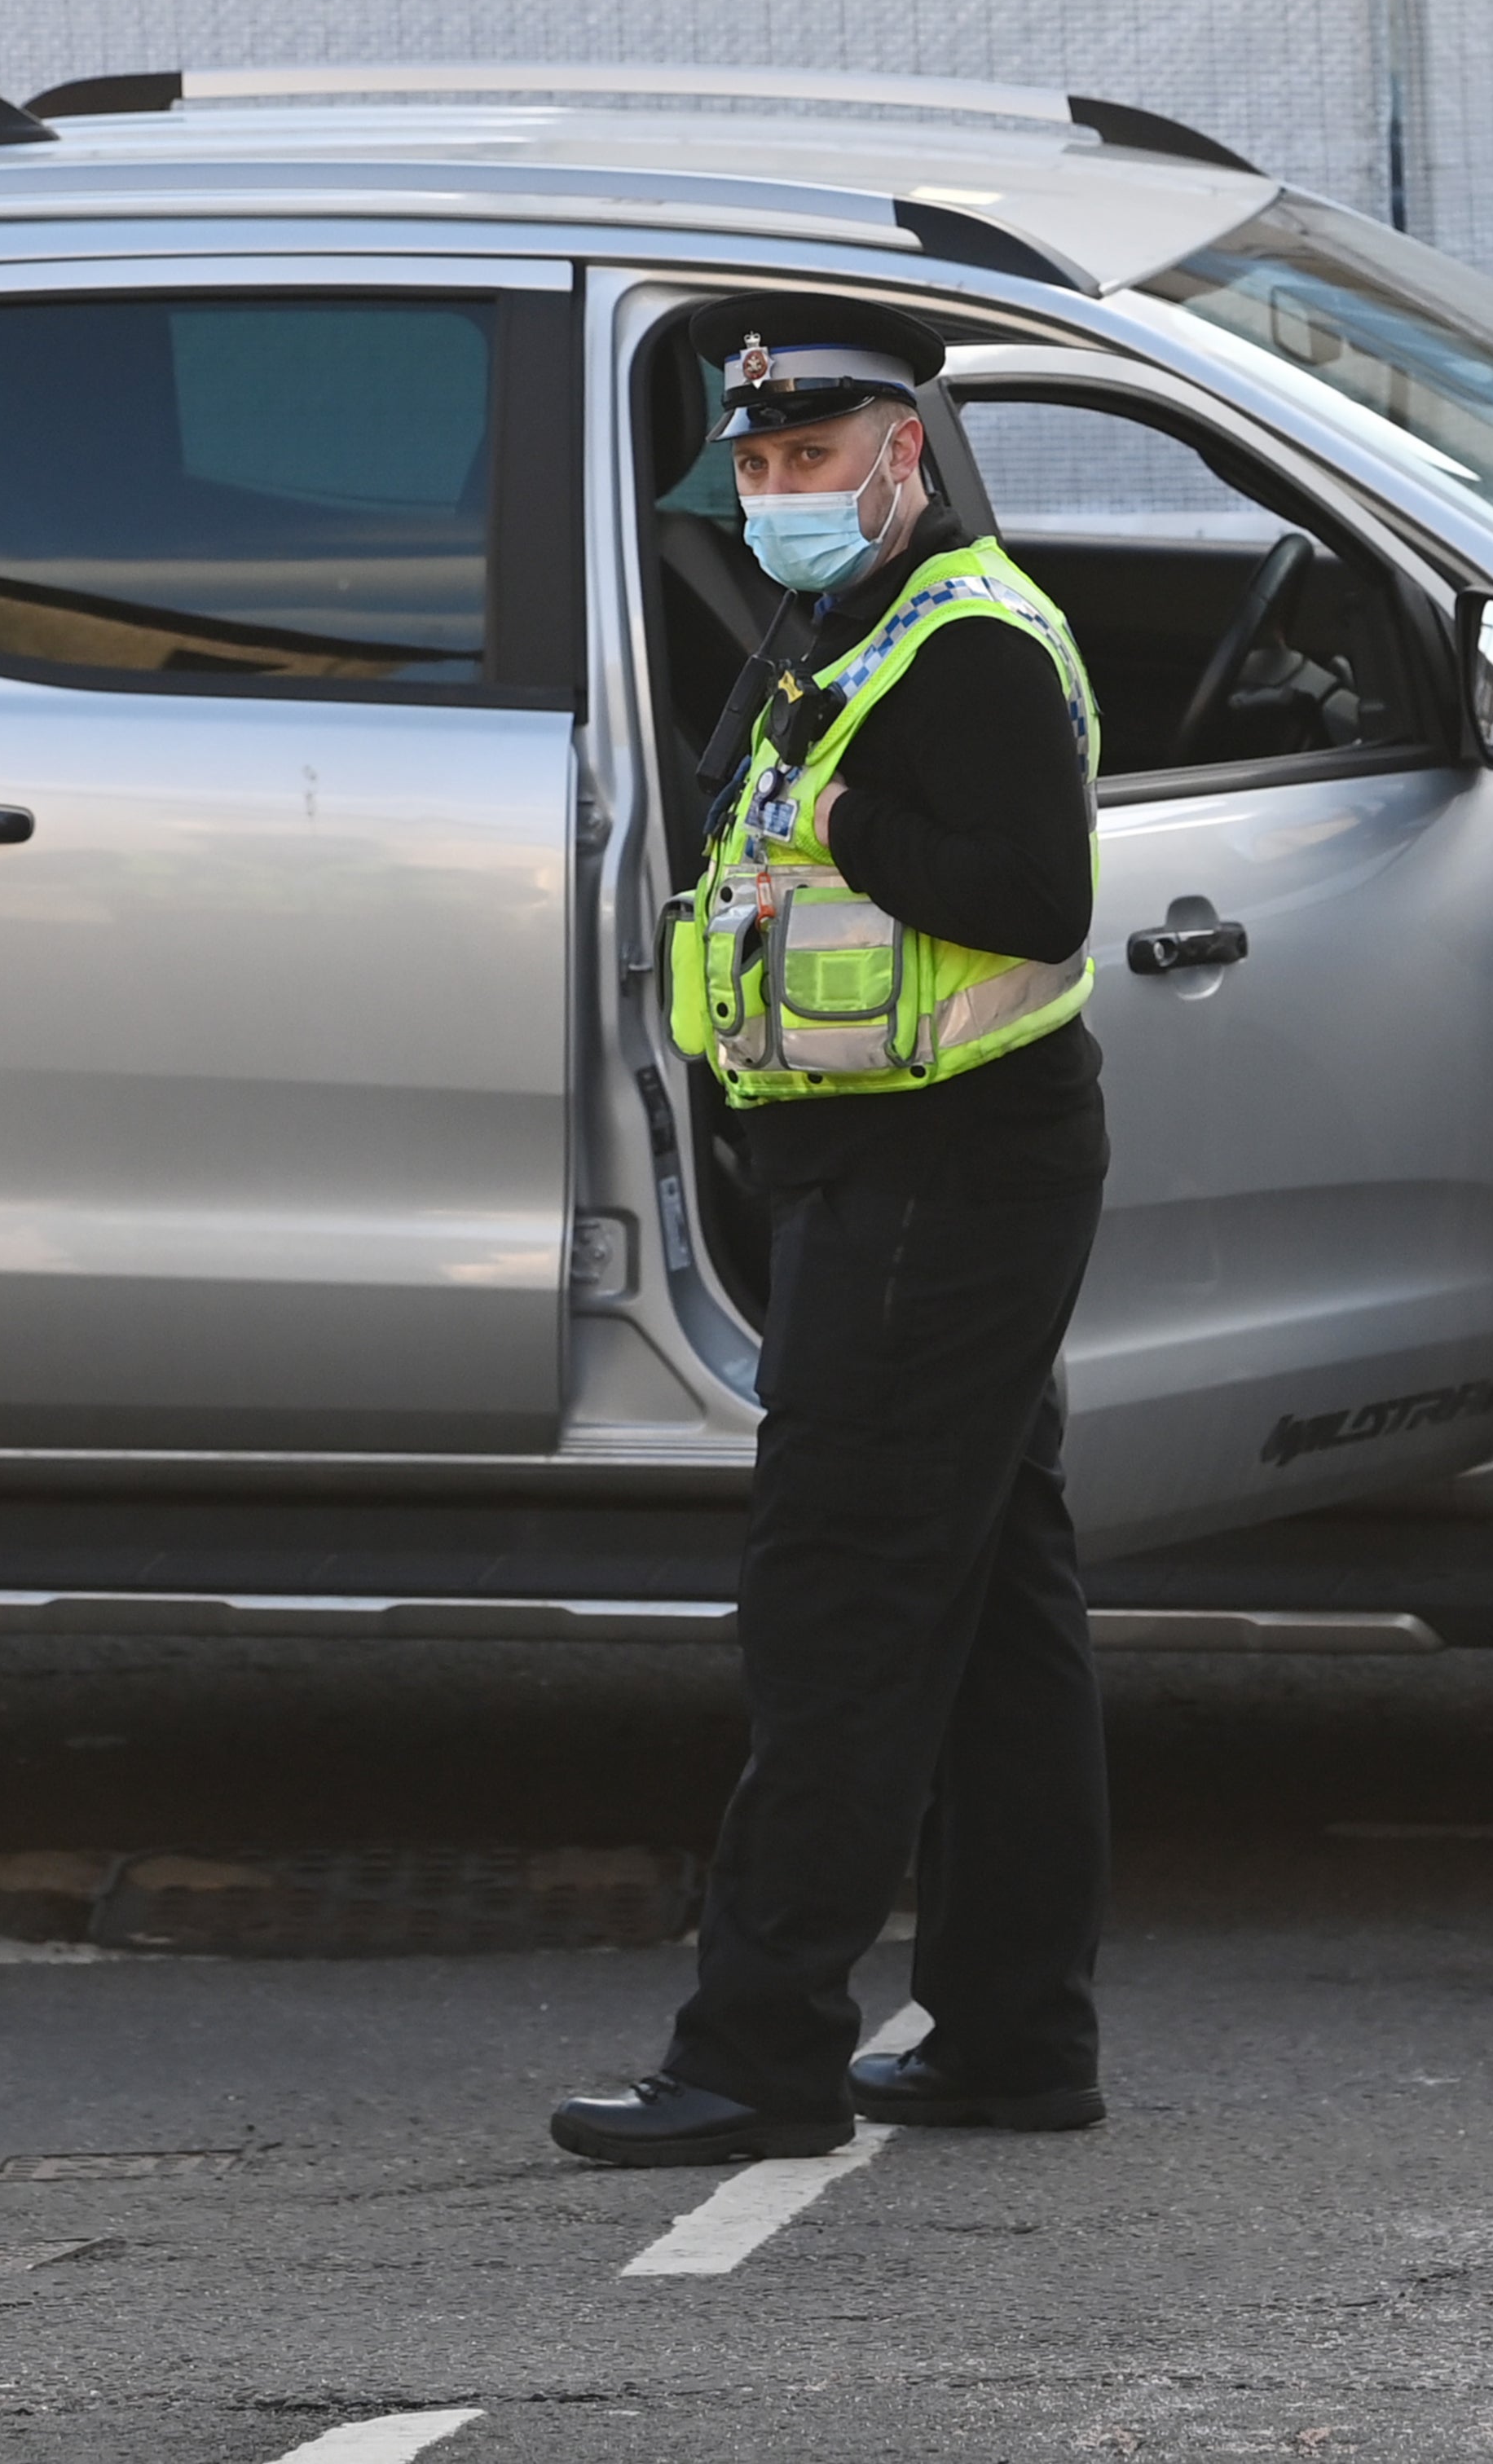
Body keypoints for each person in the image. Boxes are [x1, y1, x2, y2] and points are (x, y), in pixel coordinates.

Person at [552, 295, 1114, 2167]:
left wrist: (858, 821)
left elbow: (1036, 898)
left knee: (842, 1602)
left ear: (906, 455)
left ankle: (759, 2049)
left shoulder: (961, 643)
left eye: (813, 457)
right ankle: (1013, 2031)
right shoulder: (838, 622)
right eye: (762, 464)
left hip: (940, 1169)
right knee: (994, 1600)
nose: (781, 488)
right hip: (889, 1168)